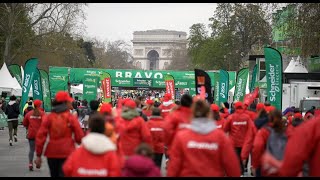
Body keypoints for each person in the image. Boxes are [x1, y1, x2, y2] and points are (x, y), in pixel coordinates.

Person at [167, 99, 241, 177]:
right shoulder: (220, 137)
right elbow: (232, 166)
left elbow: (173, 167)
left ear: (191, 114)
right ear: (209, 114)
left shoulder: (181, 137)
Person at [35, 91, 84, 177]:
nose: (70, 103)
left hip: (52, 152)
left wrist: (38, 155)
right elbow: (79, 137)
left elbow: (41, 136)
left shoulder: (49, 117)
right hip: (67, 151)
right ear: (65, 103)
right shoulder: (70, 118)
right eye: (69, 101)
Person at [251, 109, 291, 177]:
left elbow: (257, 147)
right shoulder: (287, 131)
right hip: (283, 166)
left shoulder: (263, 131)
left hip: (266, 167)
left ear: (269, 118)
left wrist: (255, 165)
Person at [223, 101, 254, 176]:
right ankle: (242, 172)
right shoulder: (247, 117)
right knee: (242, 158)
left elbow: (225, 128)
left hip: (233, 142)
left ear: (235, 107)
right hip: (244, 142)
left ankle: (237, 173)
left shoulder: (231, 117)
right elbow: (252, 128)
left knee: (235, 159)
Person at [22, 100, 45, 171]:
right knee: (39, 149)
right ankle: (38, 161)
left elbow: (24, 123)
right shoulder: (42, 114)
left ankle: (30, 163)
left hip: (31, 134)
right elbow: (46, 124)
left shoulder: (29, 114)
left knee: (31, 149)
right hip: (40, 135)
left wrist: (29, 126)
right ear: (40, 105)